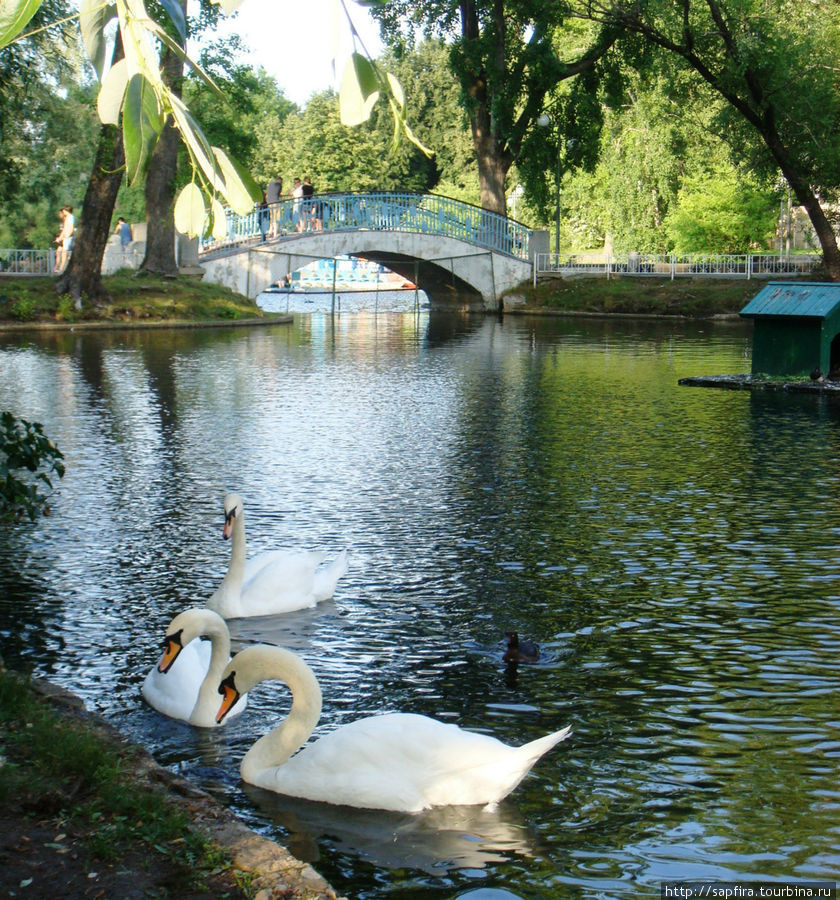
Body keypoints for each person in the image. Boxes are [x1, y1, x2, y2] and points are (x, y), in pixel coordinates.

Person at [54, 205, 75, 272]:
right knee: (61, 252)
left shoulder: (71, 217)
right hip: (65, 238)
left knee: (64, 253)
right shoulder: (68, 218)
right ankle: (58, 268)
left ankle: (62, 268)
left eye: (64, 211)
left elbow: (71, 228)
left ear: (66, 211)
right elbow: (64, 230)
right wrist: (60, 238)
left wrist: (68, 236)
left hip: (68, 237)